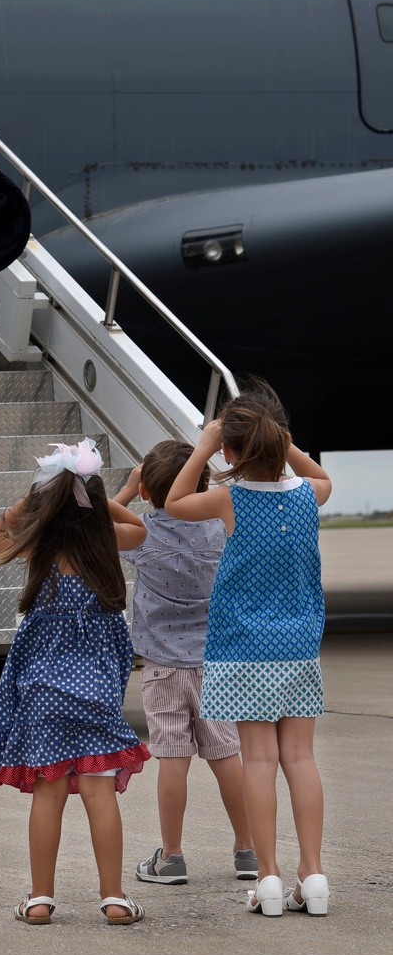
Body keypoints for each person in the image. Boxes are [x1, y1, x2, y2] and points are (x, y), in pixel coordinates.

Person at [164, 384, 332, 917]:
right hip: (299, 646)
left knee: (258, 761)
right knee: (301, 760)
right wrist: (287, 447)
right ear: (279, 442)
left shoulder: (229, 498)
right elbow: (325, 477)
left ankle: (270, 879)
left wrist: (205, 445)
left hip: (243, 652)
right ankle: (314, 873)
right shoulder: (308, 495)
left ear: (230, 451)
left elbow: (172, 502)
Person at [0, 438, 150, 925]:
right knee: (99, 791)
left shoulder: (39, 542)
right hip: (94, 689)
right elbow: (137, 527)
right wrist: (101, 497)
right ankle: (114, 897)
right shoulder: (106, 540)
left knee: (48, 792)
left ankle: (39, 899)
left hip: (42, 688)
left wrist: (35, 502)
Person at [113, 442, 255, 885]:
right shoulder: (218, 527)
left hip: (161, 665)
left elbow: (96, 523)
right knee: (226, 754)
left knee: (173, 757)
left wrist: (126, 490)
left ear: (148, 492)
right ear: (204, 484)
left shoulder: (143, 531)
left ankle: (171, 856)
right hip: (215, 663)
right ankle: (247, 849)